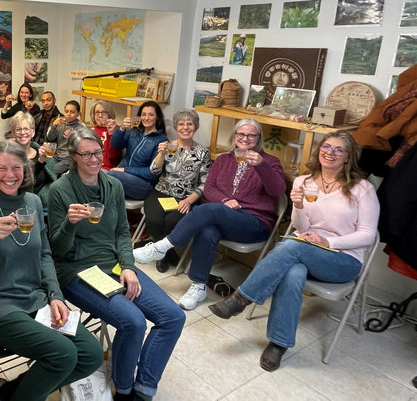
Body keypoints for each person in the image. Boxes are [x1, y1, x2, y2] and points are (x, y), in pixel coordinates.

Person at [207, 131, 378, 372]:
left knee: (292, 245)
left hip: (343, 260)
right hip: (303, 250)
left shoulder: (362, 189)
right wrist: (298, 206)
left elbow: (368, 235)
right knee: (293, 270)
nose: (330, 152)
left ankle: (241, 298)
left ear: (349, 157)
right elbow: (301, 227)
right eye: (327, 147)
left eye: (338, 149)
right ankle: (278, 343)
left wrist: (328, 243)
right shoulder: (304, 182)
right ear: (319, 150)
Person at [47, 129, 185, 400]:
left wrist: (129, 267)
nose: (93, 159)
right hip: (77, 269)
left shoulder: (113, 185)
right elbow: (57, 250)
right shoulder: (60, 191)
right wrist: (69, 224)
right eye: (85, 154)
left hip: (112, 264)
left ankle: (143, 390)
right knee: (133, 322)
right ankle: (123, 390)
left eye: (97, 152)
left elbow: (123, 231)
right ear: (74, 157)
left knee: (173, 317)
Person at [0, 141, 102, 400]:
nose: (10, 175)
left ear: (25, 170)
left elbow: (45, 254)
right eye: (2, 168)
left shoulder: (34, 202)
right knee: (63, 354)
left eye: (16, 168)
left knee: (91, 355)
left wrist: (56, 296)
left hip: (34, 299)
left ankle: (15, 392)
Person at [134, 118, 286, 310]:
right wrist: (224, 201)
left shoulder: (270, 161)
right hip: (224, 218)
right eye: (241, 134)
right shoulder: (223, 160)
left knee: (206, 209)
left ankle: (162, 247)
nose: (245, 138)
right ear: (234, 136)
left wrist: (261, 165)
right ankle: (198, 286)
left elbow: (277, 189)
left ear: (258, 138)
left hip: (254, 223)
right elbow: (210, 188)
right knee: (207, 230)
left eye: (251, 135)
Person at [138, 110, 213, 274]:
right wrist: (160, 154)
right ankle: (165, 254)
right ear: (176, 127)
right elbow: (154, 171)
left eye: (189, 124)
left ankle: (159, 251)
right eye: (181, 124)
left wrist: (189, 201)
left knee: (172, 220)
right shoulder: (168, 145)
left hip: (186, 197)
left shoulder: (203, 152)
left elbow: (205, 183)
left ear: (195, 127)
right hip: (161, 192)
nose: (185, 127)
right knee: (155, 219)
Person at [107, 101, 168, 199]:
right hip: (121, 175)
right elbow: (116, 145)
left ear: (157, 117)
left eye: (151, 115)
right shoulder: (134, 132)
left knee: (111, 176)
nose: (146, 118)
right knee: (96, 174)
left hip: (144, 184)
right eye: (143, 114)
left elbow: (152, 173)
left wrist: (124, 170)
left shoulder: (161, 140)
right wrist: (121, 128)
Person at [7, 111, 53, 201]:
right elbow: (25, 183)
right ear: (13, 133)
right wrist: (40, 162)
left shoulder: (40, 151)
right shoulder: (9, 156)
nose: (23, 132)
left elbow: (52, 179)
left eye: (26, 129)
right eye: (18, 129)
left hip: (44, 201)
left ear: (33, 132)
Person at [47, 100, 92, 177]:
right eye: (66, 111)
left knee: (51, 171)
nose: (68, 114)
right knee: (43, 167)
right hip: (56, 155)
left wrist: (73, 136)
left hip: (69, 158)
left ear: (78, 114)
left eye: (72, 112)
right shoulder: (60, 123)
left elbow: (84, 146)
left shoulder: (81, 127)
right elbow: (50, 138)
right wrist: (53, 125)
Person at [91, 101, 123, 170]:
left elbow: (113, 156)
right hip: (90, 165)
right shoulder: (91, 130)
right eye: (97, 112)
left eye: (103, 112)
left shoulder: (116, 129)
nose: (100, 115)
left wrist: (110, 134)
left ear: (109, 114)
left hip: (107, 168)